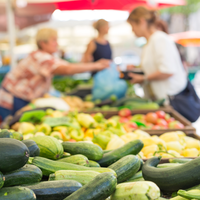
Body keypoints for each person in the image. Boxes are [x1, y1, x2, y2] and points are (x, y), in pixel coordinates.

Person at [0, 28, 109, 119]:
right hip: (11, 100)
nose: (57, 43)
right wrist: (96, 65)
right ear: (43, 43)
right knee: (11, 132)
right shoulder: (40, 57)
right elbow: (67, 69)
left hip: (22, 99)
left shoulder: (47, 57)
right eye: (54, 40)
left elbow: (68, 65)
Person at [127, 7, 200, 122]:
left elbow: (167, 70)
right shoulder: (150, 42)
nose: (132, 30)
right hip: (163, 101)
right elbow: (154, 67)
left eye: (132, 26)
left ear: (141, 21)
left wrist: (143, 78)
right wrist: (137, 69)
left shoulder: (159, 39)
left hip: (173, 101)